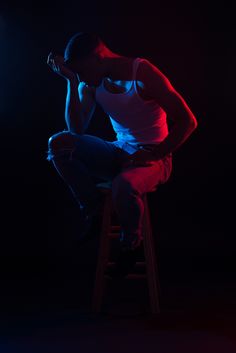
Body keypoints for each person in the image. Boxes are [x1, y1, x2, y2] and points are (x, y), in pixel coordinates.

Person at [46, 32, 197, 277]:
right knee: (60, 144)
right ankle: (93, 211)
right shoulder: (90, 82)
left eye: (83, 72)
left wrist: (156, 153)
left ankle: (130, 245)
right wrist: (71, 82)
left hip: (153, 156)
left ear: (99, 58)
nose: (83, 78)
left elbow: (188, 121)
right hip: (119, 150)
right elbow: (76, 129)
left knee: (123, 185)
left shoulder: (142, 73)